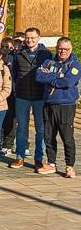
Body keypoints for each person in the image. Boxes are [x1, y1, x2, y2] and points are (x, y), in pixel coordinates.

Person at [35, 37, 80, 177]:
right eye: (60, 48)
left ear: (70, 49)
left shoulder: (75, 64)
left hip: (66, 105)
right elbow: (39, 76)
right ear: (56, 47)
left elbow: (68, 82)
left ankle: (69, 166)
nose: (63, 51)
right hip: (49, 104)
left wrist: (51, 79)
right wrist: (58, 75)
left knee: (67, 137)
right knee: (49, 135)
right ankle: (51, 163)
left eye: (66, 49)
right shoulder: (49, 61)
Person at [11, 27, 52, 171]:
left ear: (38, 38)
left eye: (33, 38)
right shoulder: (19, 53)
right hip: (22, 96)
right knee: (22, 127)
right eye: (27, 38)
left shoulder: (46, 54)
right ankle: (19, 157)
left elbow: (50, 73)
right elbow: (14, 73)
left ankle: (38, 159)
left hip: (40, 96)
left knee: (40, 129)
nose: (30, 40)